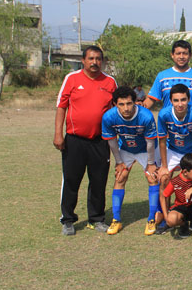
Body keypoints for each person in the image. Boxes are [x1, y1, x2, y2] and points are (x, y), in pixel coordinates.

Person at [54, 45, 117, 236]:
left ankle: (96, 219)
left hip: (100, 141)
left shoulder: (110, 82)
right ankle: (67, 220)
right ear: (83, 60)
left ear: (102, 61)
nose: (94, 62)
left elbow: (116, 110)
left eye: (98, 59)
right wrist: (58, 134)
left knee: (99, 181)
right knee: (71, 180)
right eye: (91, 58)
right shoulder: (72, 79)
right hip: (75, 140)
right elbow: (61, 107)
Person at [101, 86, 161, 235]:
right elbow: (112, 141)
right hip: (126, 148)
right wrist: (119, 162)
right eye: (121, 104)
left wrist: (151, 163)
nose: (126, 108)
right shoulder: (108, 117)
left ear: (135, 102)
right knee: (120, 176)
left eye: (129, 103)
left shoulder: (146, 116)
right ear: (115, 104)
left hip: (146, 149)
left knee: (152, 177)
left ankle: (151, 218)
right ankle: (116, 219)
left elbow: (150, 143)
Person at [156, 84, 192, 233]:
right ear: (170, 101)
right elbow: (162, 140)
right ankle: (165, 217)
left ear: (189, 99)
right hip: (173, 150)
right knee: (164, 178)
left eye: (183, 99)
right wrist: (164, 166)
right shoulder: (164, 114)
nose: (180, 104)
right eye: (176, 100)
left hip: (191, 150)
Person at [159, 153, 192, 245]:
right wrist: (166, 216)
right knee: (171, 219)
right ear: (185, 172)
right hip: (181, 209)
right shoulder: (175, 181)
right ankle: (183, 225)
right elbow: (163, 196)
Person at [144, 39, 192, 109]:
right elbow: (150, 100)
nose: (181, 57)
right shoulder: (162, 76)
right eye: (178, 53)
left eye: (185, 53)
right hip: (168, 116)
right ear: (172, 55)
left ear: (190, 55)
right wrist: (138, 108)